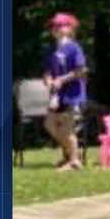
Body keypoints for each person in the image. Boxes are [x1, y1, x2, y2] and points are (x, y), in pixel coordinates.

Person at [43, 12, 89, 171]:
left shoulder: (74, 48)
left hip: (73, 95)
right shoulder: (51, 50)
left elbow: (81, 70)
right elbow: (47, 71)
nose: (56, 28)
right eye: (54, 26)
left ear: (70, 29)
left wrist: (62, 80)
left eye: (60, 25)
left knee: (67, 128)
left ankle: (74, 161)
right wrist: (48, 80)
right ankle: (72, 154)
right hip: (57, 95)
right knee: (49, 124)